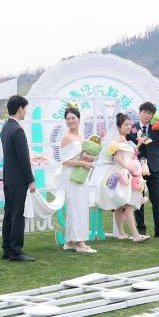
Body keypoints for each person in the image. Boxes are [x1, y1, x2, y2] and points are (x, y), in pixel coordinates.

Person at [129, 101, 159, 239]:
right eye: (144, 112)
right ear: (139, 113)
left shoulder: (156, 127)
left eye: (149, 113)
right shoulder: (132, 128)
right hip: (137, 169)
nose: (146, 115)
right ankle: (141, 229)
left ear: (152, 115)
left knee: (157, 199)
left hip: (154, 167)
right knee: (139, 199)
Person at [0, 94, 36, 262]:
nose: (26, 112)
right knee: (17, 215)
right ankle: (16, 250)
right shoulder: (18, 130)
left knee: (9, 213)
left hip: (8, 178)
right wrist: (31, 180)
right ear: (20, 108)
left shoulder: (6, 128)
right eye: (25, 109)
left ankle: (7, 248)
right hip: (18, 180)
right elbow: (23, 159)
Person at [102, 112, 149, 241]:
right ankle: (135, 235)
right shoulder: (117, 140)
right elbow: (117, 158)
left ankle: (121, 233)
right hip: (124, 175)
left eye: (129, 124)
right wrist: (128, 168)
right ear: (119, 126)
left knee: (120, 207)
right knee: (128, 205)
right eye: (126, 125)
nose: (129, 127)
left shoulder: (126, 140)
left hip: (128, 173)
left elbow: (128, 156)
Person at [57, 105, 96, 254]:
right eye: (68, 119)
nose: (70, 121)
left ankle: (69, 242)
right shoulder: (66, 138)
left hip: (81, 175)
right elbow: (65, 161)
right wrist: (83, 163)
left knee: (80, 206)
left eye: (73, 118)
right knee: (75, 206)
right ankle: (80, 242)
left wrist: (88, 158)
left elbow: (81, 155)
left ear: (79, 119)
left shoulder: (80, 137)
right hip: (71, 175)